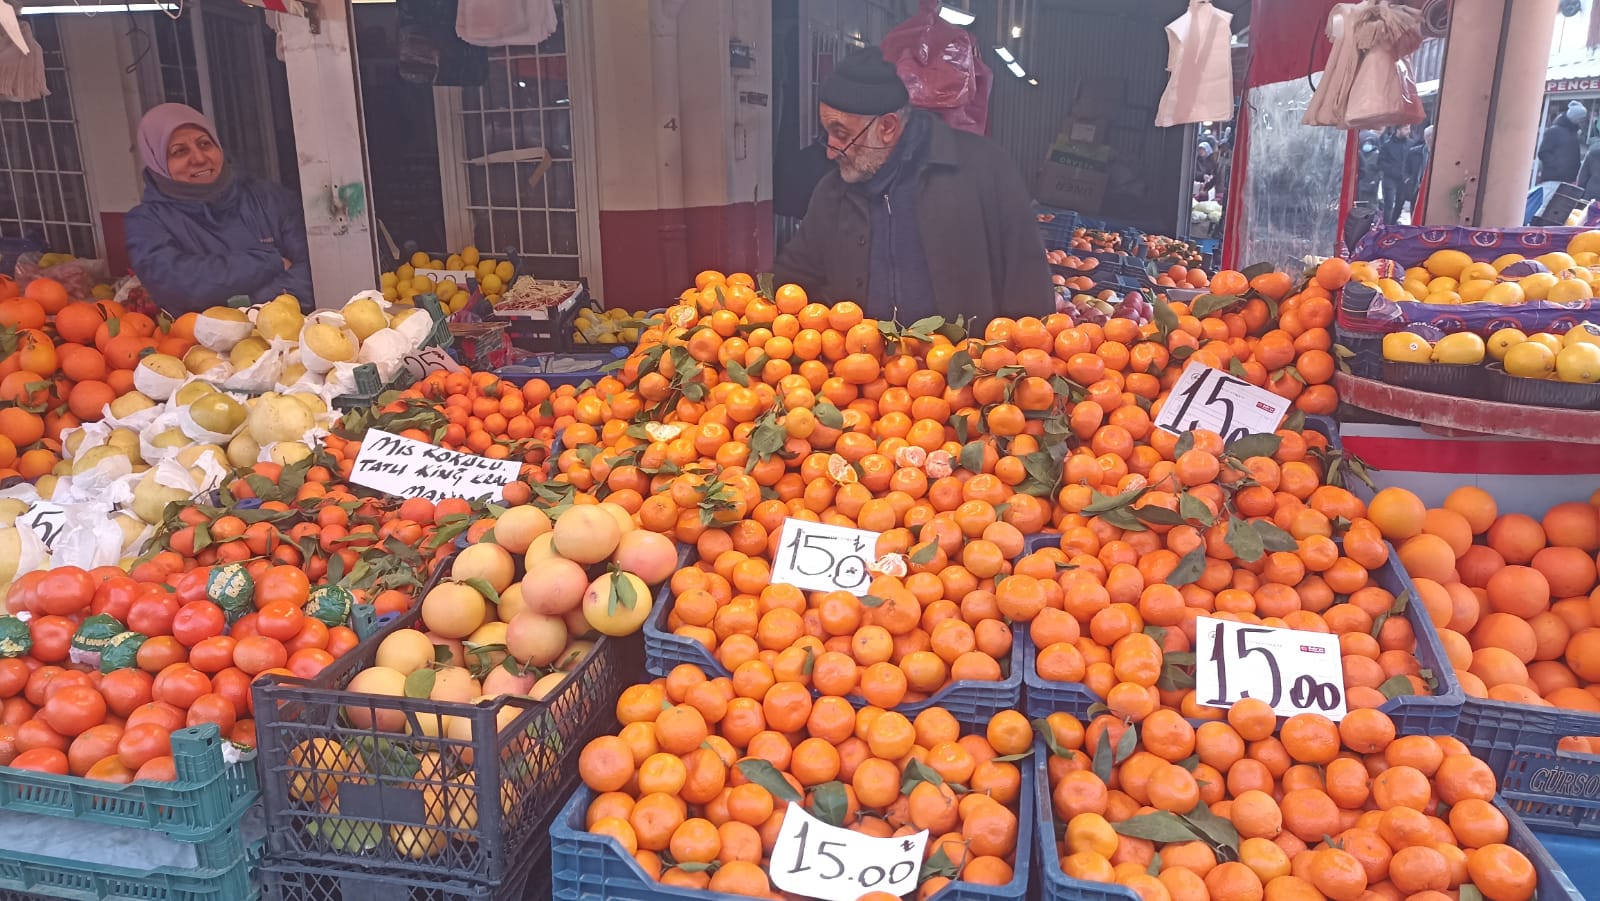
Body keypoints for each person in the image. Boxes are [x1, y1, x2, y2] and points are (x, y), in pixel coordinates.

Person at [774, 47, 1049, 327]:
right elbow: (794, 278)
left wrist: (1016, 363)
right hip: (862, 365)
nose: (830, 152)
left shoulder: (985, 171)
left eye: (841, 134)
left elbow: (1027, 283)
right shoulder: (832, 193)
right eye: (827, 133)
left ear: (887, 127)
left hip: (966, 365)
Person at [125, 103, 313, 315]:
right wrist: (270, 262)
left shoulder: (270, 200)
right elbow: (180, 286)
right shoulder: (147, 223)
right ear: (156, 160)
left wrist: (248, 308)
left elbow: (313, 271)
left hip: (291, 337)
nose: (199, 158)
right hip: (197, 345)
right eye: (180, 151)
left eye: (205, 144)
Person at [1377, 125, 1412, 223]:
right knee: (1389, 204)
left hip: (1403, 180)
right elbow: (1381, 162)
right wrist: (1393, 171)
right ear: (1398, 129)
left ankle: (1393, 224)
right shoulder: (1387, 145)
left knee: (1400, 204)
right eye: (1406, 129)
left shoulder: (1410, 144)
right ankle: (1387, 227)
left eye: (1409, 128)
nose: (1409, 131)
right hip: (1390, 179)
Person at [1402, 124, 1431, 221]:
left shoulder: (1441, 154)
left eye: (1432, 136)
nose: (1430, 138)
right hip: (1416, 187)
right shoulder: (1414, 152)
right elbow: (1406, 168)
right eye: (1428, 136)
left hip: (1431, 188)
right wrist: (1407, 179)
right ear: (1425, 137)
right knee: (1414, 213)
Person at [1356, 130, 1381, 206]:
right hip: (1360, 184)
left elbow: (1380, 171)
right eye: (1366, 143)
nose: (1367, 145)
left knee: (1370, 205)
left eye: (1369, 143)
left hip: (1372, 183)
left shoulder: (1377, 155)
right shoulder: (1358, 154)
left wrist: (1376, 180)